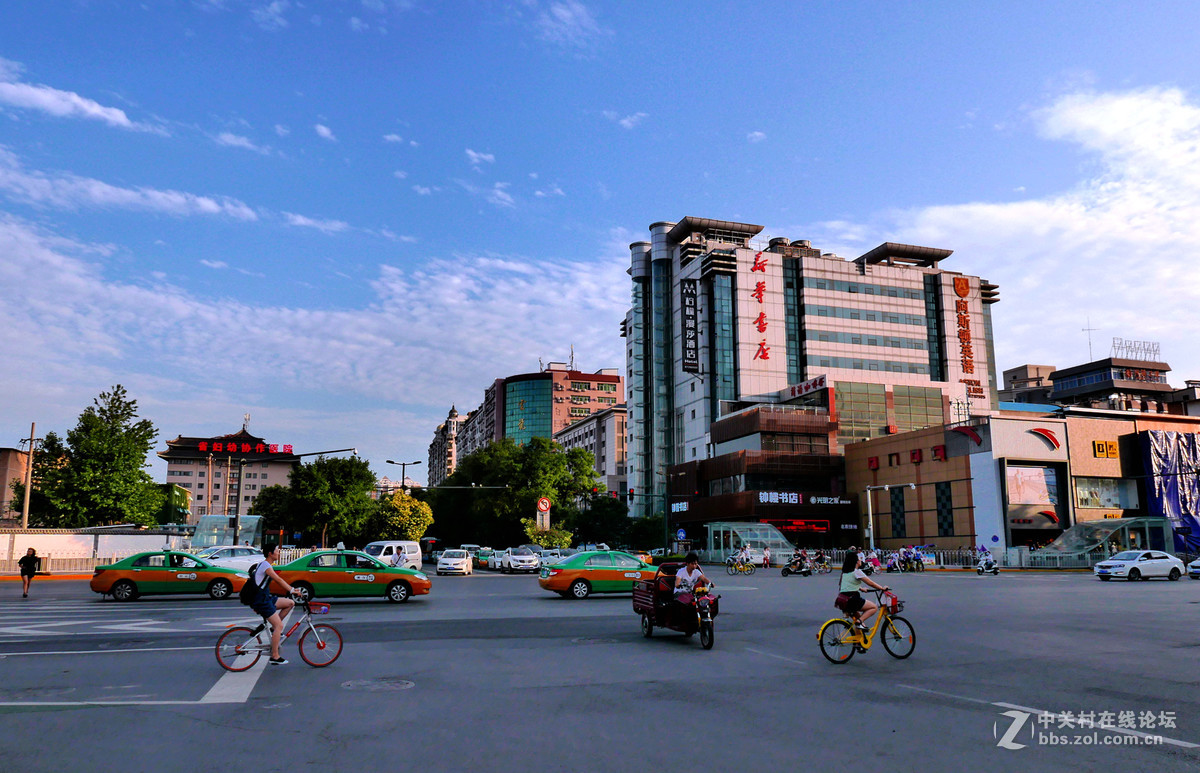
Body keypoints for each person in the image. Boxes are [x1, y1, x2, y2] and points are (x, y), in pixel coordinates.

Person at [249, 543, 302, 665]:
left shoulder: (264, 565)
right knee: (280, 626)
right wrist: (292, 590)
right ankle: (275, 656)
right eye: (277, 551)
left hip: (266, 598)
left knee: (290, 603)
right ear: (270, 553)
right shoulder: (266, 566)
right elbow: (278, 580)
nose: (279, 553)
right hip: (262, 601)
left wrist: (292, 591)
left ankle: (273, 629)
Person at [838, 551, 890, 635]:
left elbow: (847, 585)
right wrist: (882, 588)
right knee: (873, 608)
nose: (860, 561)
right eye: (859, 559)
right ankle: (859, 622)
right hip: (852, 599)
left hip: (842, 600)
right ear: (856, 561)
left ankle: (858, 643)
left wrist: (861, 588)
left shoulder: (845, 572)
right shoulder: (857, 571)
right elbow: (871, 583)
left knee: (858, 620)